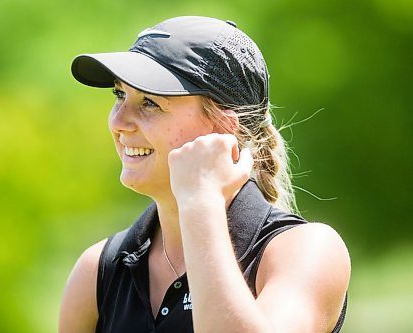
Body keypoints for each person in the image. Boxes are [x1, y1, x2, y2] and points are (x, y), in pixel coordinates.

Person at [60, 16, 350, 333]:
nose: (120, 122)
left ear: (223, 127)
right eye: (119, 95)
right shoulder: (98, 270)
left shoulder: (306, 251)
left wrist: (200, 201)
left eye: (150, 103)